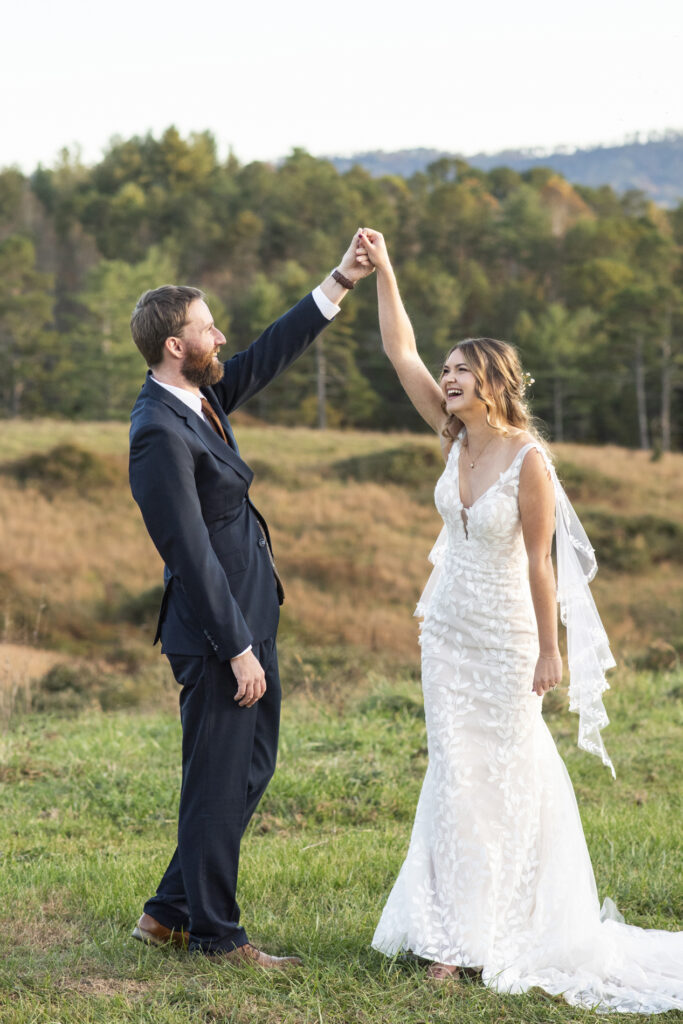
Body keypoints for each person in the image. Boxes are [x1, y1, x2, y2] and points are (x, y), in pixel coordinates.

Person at [357, 229, 683, 1013]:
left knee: (499, 778)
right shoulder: (451, 433)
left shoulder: (527, 459)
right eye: (447, 372)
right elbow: (399, 349)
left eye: (461, 371)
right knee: (451, 772)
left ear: (494, 383)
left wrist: (549, 650)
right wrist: (387, 270)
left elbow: (541, 564)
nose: (446, 378)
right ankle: (444, 938)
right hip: (445, 632)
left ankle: (496, 933)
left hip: (506, 639)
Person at [127, 232, 373, 966]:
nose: (220, 335)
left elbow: (266, 353)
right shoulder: (156, 433)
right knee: (217, 780)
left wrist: (341, 279)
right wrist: (235, 649)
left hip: (249, 618)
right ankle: (217, 936)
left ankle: (169, 911)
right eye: (208, 327)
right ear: (177, 345)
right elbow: (190, 555)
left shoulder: (198, 398)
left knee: (251, 767)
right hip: (214, 633)